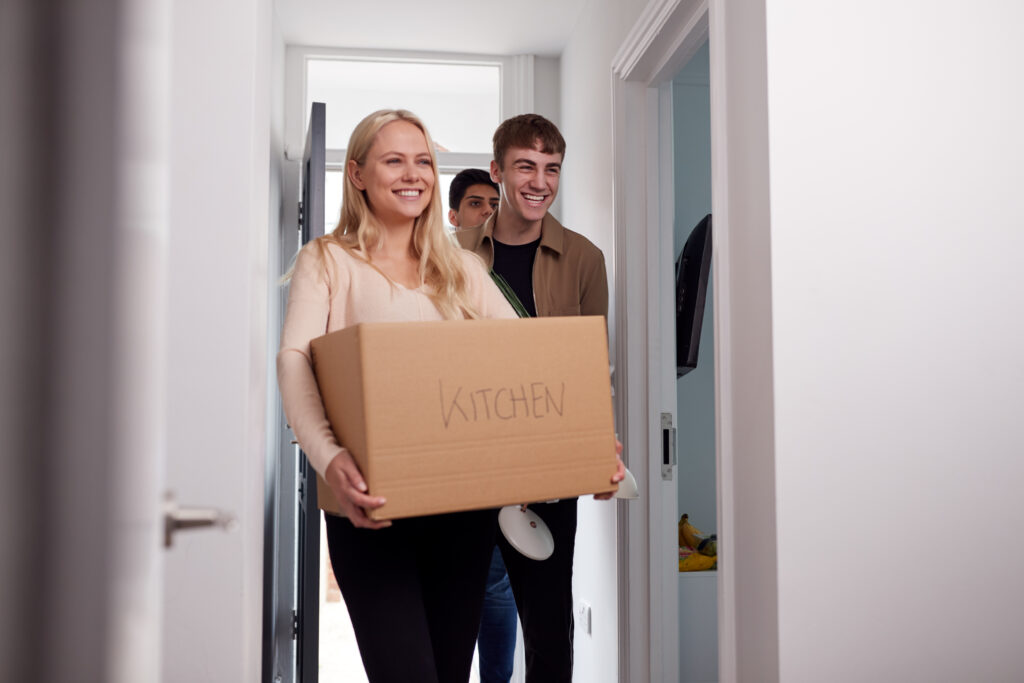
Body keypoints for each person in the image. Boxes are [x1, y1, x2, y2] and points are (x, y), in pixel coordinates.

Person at [277, 109, 520, 683]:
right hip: (372, 509)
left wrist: (582, 439)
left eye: (424, 161)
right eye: (394, 160)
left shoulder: (461, 269)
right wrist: (328, 458)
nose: (414, 174)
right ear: (357, 174)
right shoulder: (328, 261)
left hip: (462, 511)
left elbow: (527, 361)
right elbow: (295, 360)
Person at [456, 113, 622, 682]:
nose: (540, 182)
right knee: (457, 619)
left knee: (549, 627)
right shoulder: (452, 256)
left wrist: (601, 448)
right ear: (498, 170)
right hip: (467, 467)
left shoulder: (584, 259)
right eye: (526, 166)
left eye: (552, 169)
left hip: (547, 469)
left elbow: (593, 369)